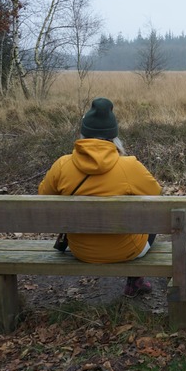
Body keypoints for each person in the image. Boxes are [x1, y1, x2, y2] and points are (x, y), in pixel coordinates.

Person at [38, 97, 162, 297]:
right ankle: (135, 282)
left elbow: (43, 197)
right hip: (126, 250)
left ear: (83, 133)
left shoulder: (62, 165)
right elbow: (157, 194)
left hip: (81, 250)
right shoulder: (129, 166)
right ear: (114, 135)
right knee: (152, 219)